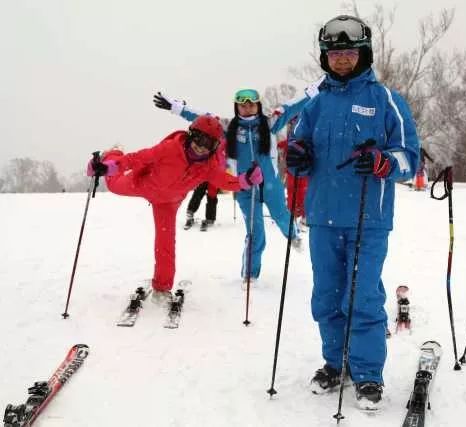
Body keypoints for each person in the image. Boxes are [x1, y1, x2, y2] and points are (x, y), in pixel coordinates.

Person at [286, 15, 419, 410]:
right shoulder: (315, 103)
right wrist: (297, 156)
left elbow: (410, 159)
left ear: (364, 54)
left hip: (368, 219)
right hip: (323, 216)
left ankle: (367, 374)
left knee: (361, 297)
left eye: (349, 53)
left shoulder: (386, 100)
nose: (342, 60)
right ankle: (335, 363)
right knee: (326, 297)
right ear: (326, 58)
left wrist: (384, 162)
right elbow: (297, 154)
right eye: (334, 54)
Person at [86, 115, 264, 299]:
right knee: (114, 186)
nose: (201, 146)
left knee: (166, 243)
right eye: (198, 139)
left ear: (214, 147)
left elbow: (224, 180)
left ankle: (162, 287)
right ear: (190, 135)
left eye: (208, 143)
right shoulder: (170, 149)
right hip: (144, 184)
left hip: (168, 203)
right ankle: (113, 153)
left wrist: (245, 180)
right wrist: (107, 167)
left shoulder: (208, 166)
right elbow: (137, 159)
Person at [153, 89, 302, 283]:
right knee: (255, 233)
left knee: (282, 216)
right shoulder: (228, 126)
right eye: (243, 105)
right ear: (237, 106)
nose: (247, 108)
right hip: (245, 187)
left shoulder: (270, 122)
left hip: (270, 185)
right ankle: (250, 276)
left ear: (257, 105)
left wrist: (322, 86)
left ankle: (294, 236)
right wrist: (175, 107)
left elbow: (294, 105)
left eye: (251, 104)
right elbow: (201, 117)